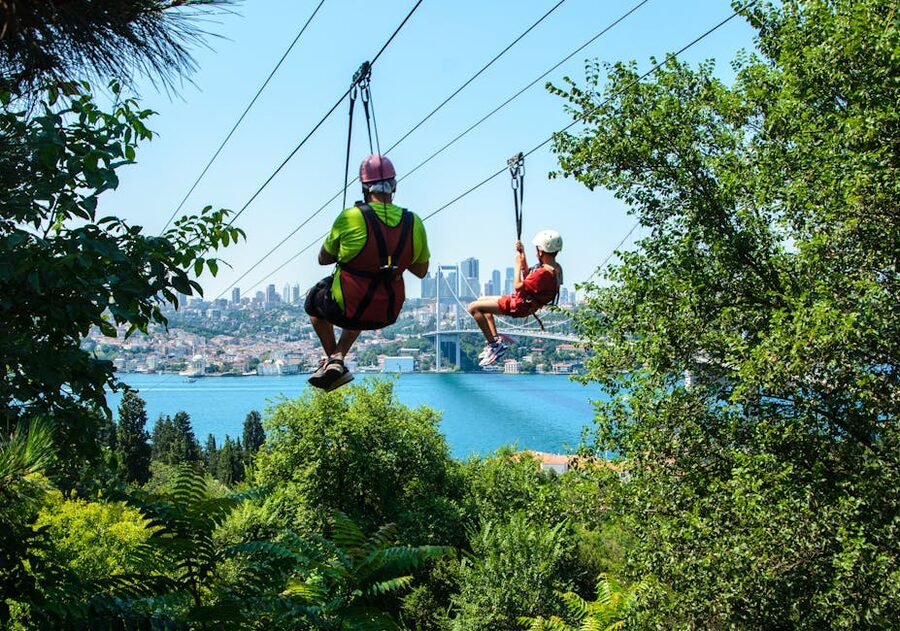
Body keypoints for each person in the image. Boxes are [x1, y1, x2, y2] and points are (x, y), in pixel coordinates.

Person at [304, 154, 430, 391]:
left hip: (348, 307)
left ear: (364, 188)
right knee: (365, 299)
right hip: (386, 310)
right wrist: (395, 256)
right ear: (394, 187)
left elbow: (323, 259)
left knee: (315, 299)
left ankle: (335, 360)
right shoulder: (414, 222)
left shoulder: (351, 217)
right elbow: (421, 271)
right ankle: (337, 357)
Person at [467, 230, 563, 367]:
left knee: (473, 308)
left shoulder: (543, 273)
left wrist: (517, 264)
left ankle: (494, 345)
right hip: (524, 302)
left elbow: (518, 286)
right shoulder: (555, 269)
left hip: (519, 305)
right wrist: (522, 254)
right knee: (482, 300)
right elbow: (529, 277)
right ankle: (496, 340)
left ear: (541, 251)